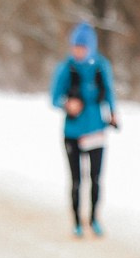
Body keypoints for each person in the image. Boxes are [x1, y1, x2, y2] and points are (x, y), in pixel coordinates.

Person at [49, 22, 118, 237]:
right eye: (74, 46)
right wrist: (67, 104)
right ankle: (77, 221)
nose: (77, 51)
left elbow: (109, 93)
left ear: (91, 47)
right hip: (72, 134)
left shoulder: (100, 66)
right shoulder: (66, 68)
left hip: (96, 132)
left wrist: (113, 112)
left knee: (96, 179)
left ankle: (95, 218)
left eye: (82, 47)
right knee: (76, 180)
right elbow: (53, 98)